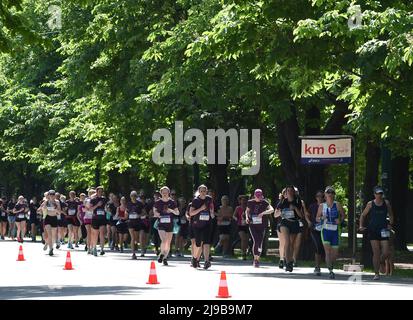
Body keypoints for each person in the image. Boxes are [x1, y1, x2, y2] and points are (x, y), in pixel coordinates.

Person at [359, 186, 394, 280]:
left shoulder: (386, 203)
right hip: (373, 230)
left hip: (384, 230)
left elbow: (390, 214)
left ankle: (381, 261)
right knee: (376, 252)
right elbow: (363, 215)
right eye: (378, 193)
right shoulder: (370, 204)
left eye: (381, 194)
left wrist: (390, 223)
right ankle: (376, 273)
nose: (379, 195)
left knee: (386, 252)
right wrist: (361, 226)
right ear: (374, 194)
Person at [316, 186, 346, 279]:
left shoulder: (337, 205)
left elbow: (343, 215)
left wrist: (340, 220)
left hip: (335, 231)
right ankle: (330, 271)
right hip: (325, 230)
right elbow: (317, 218)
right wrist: (321, 218)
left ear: (334, 195)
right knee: (327, 252)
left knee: (335, 254)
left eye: (332, 192)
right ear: (325, 195)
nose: (330, 194)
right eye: (328, 192)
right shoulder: (322, 206)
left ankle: (330, 265)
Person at [275, 186, 303, 272]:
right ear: (286, 193)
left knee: (291, 244)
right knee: (287, 242)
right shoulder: (283, 202)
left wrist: (295, 208)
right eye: (288, 191)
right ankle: (287, 263)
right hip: (285, 223)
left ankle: (290, 261)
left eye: (291, 191)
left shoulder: (298, 201)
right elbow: (275, 215)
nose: (289, 192)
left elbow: (301, 216)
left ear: (294, 192)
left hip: (294, 223)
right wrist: (280, 212)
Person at [246, 189, 274, 267]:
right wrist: (247, 218)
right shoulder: (250, 202)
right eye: (257, 196)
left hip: (262, 225)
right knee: (256, 240)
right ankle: (255, 260)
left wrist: (263, 213)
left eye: (260, 196)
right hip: (253, 224)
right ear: (254, 195)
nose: (258, 198)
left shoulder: (264, 202)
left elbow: (272, 210)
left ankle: (258, 258)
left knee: (260, 242)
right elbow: (247, 211)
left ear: (261, 196)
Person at [189, 185, 215, 269]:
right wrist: (200, 209)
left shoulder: (209, 199)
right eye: (201, 191)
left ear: (206, 191)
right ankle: (195, 258)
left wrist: (211, 212)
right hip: (197, 225)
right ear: (199, 192)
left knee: (206, 243)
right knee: (198, 243)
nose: (203, 192)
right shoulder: (195, 200)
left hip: (207, 224)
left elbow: (211, 207)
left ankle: (207, 261)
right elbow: (191, 213)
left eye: (204, 191)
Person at [153, 186, 179, 266]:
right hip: (161, 224)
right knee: (164, 240)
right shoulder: (158, 202)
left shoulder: (172, 202)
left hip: (170, 224)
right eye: (163, 192)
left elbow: (177, 213)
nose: (164, 194)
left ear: (168, 193)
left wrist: (171, 210)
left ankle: (164, 258)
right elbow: (155, 213)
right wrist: (158, 215)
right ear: (161, 193)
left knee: (168, 242)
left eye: (166, 192)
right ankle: (161, 254)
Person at [306, 190, 325, 276]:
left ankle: (327, 266)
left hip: (325, 229)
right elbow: (307, 214)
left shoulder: (326, 206)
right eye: (318, 196)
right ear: (316, 197)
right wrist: (308, 221)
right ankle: (317, 267)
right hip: (314, 229)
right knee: (318, 246)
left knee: (323, 248)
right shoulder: (312, 206)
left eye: (321, 196)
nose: (319, 198)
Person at [126, 190, 146, 260]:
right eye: (132, 196)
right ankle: (133, 253)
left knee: (138, 238)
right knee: (133, 238)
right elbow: (127, 212)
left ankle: (141, 250)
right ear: (130, 196)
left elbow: (144, 213)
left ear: (136, 196)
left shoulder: (140, 204)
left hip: (138, 222)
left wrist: (139, 215)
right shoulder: (128, 204)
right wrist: (127, 216)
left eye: (135, 196)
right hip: (131, 222)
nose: (133, 197)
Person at [40, 190, 61, 256]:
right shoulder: (46, 202)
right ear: (48, 195)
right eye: (50, 195)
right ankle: (51, 249)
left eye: (53, 195)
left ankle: (47, 243)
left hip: (54, 218)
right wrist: (44, 208)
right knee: (49, 234)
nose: (52, 196)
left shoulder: (57, 202)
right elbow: (41, 209)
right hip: (48, 218)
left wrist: (55, 209)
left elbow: (59, 212)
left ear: (54, 195)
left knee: (53, 235)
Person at [90, 186, 108, 256]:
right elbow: (91, 209)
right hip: (95, 218)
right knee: (95, 234)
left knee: (102, 233)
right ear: (96, 192)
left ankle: (102, 249)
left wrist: (107, 209)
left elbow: (106, 207)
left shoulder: (104, 199)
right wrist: (97, 205)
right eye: (99, 191)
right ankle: (94, 248)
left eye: (101, 191)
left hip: (102, 218)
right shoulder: (93, 199)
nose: (100, 192)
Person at [233, 195, 249, 260]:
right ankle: (243, 254)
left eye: (245, 200)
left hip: (247, 225)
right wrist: (236, 219)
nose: (243, 201)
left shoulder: (248, 207)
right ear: (240, 201)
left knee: (247, 240)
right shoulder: (238, 208)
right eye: (242, 200)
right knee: (243, 238)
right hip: (240, 225)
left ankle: (245, 251)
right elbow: (233, 216)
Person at [276, 189, 286, 268]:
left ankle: (288, 258)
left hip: (291, 224)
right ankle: (282, 259)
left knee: (289, 243)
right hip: (281, 224)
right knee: (282, 243)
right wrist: (281, 212)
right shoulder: (280, 203)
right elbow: (275, 215)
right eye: (285, 193)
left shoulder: (294, 203)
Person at [150, 191, 161, 255]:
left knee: (161, 235)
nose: (156, 196)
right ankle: (156, 248)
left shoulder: (162, 203)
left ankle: (162, 249)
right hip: (154, 219)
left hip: (161, 219)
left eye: (158, 195)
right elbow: (150, 212)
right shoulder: (152, 203)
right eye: (155, 195)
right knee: (155, 235)